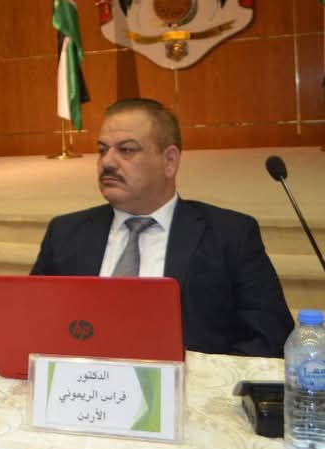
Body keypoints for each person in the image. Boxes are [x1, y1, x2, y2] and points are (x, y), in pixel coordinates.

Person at [31, 98, 294, 357]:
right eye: (102, 150)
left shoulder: (230, 235)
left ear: (170, 161)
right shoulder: (65, 233)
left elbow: (268, 338)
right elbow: (33, 325)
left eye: (126, 150)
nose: (107, 162)